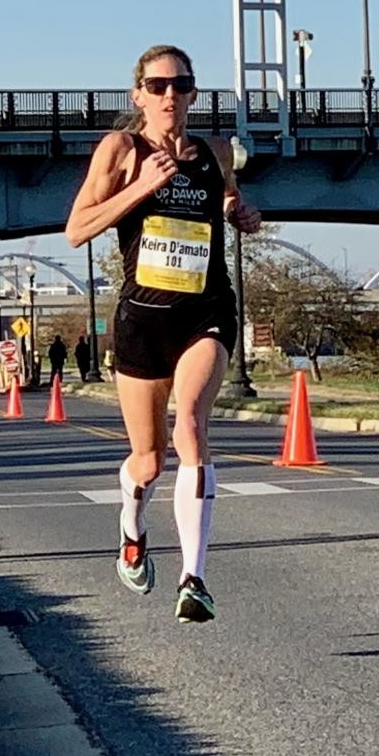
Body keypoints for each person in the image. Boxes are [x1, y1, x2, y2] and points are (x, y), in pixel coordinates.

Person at [65, 44, 261, 624]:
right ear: (139, 95)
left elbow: (227, 197)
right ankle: (131, 527)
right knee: (148, 461)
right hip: (143, 317)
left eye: (180, 85)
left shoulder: (215, 151)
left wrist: (239, 212)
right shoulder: (122, 150)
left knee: (192, 428)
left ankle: (193, 578)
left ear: (194, 93)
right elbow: (76, 229)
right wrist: (141, 188)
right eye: (157, 86)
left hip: (205, 311)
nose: (169, 95)